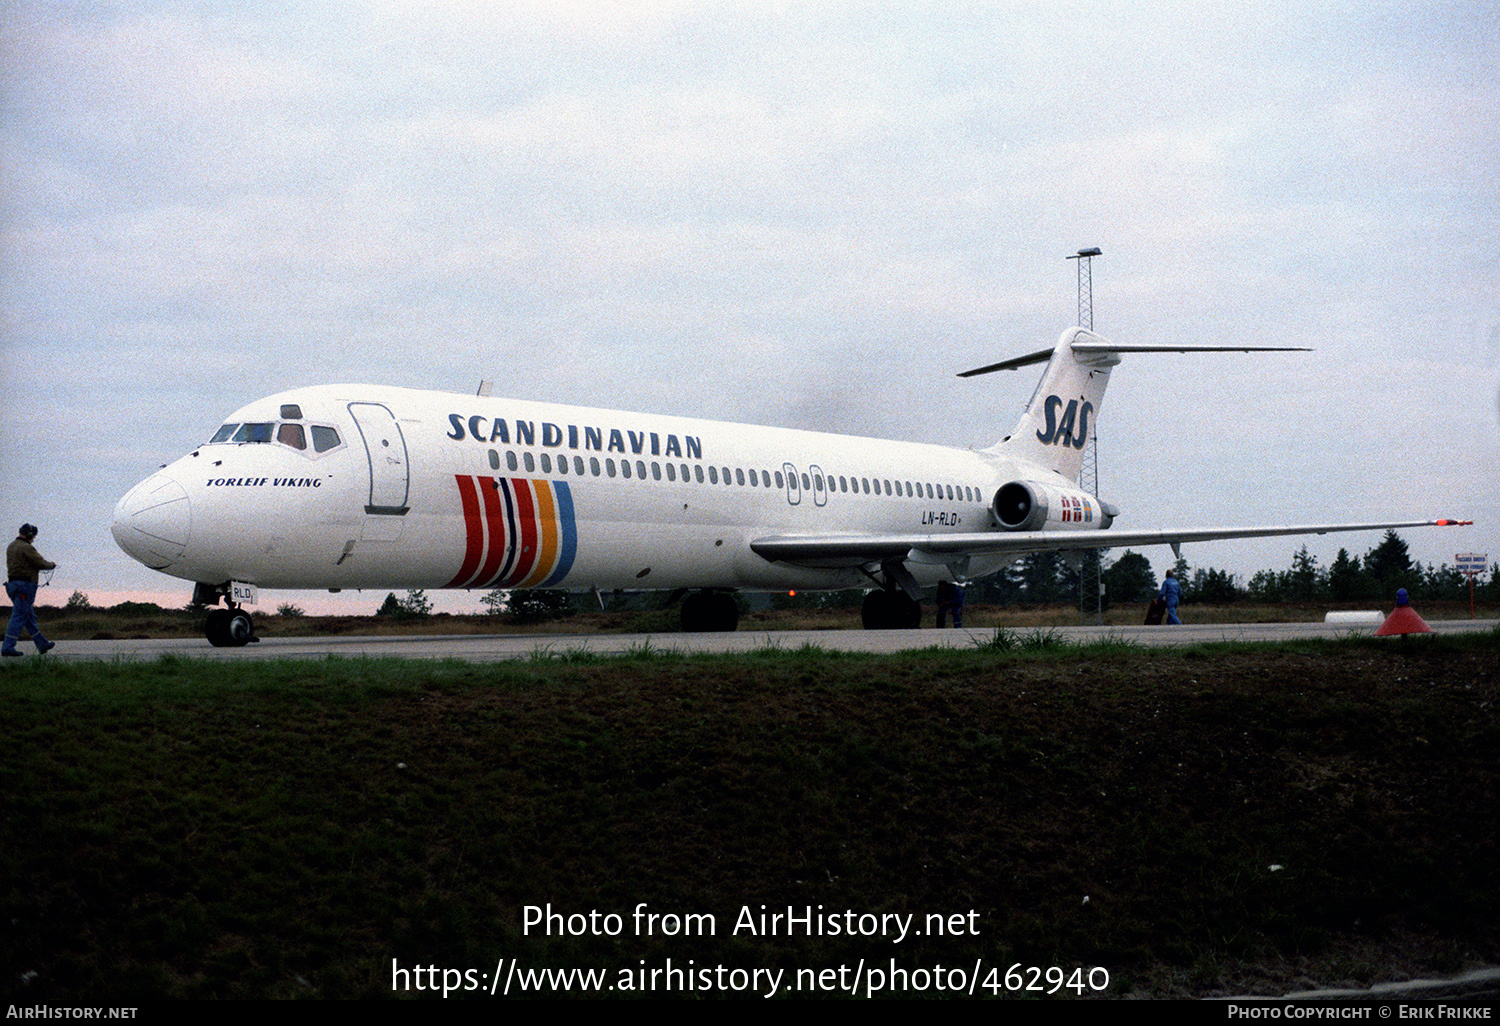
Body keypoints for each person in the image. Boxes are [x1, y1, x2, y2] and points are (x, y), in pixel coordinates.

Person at [5, 523, 56, 656]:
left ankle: (42, 643)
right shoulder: (26, 547)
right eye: (33, 536)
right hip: (25, 587)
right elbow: (40, 562)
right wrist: (51, 565)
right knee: (19, 616)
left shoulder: (11, 546)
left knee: (28, 616)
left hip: (12, 585)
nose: (33, 538)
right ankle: (7, 647)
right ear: (29, 534)